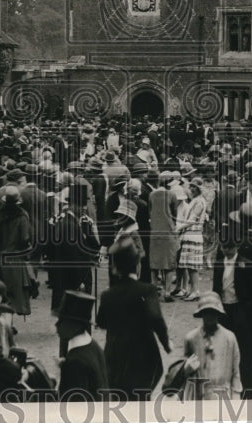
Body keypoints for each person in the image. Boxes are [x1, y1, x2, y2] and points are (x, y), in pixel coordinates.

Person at [96, 236, 170, 400]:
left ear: (115, 269)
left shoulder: (107, 295)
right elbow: (156, 320)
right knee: (140, 400)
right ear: (137, 265)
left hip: (115, 358)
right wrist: (166, 344)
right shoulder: (147, 291)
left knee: (118, 400)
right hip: (143, 357)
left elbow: (101, 322)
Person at [212, 219, 252, 400]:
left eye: (228, 248)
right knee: (223, 352)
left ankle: (249, 393)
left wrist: (250, 309)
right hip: (224, 312)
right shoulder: (220, 263)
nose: (225, 251)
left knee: (246, 354)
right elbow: (216, 288)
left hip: (242, 313)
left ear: (235, 247)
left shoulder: (247, 264)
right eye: (223, 247)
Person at [183, 291, 241, 400]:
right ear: (201, 314)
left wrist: (236, 394)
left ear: (219, 313)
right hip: (198, 393)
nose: (210, 316)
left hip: (222, 392)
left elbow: (235, 370)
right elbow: (183, 371)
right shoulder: (191, 338)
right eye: (206, 312)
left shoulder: (229, 338)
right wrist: (186, 368)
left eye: (213, 312)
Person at [0, 185, 34, 317]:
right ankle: (9, 323)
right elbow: (25, 238)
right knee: (14, 295)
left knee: (1, 294)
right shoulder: (22, 216)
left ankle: (3, 322)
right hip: (15, 259)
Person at [54, 290, 107, 398]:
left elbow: (74, 407)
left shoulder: (75, 361)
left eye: (62, 320)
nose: (57, 324)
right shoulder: (93, 345)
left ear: (76, 325)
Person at [148, 170, 181, 300]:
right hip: (168, 232)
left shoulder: (151, 195)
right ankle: (167, 292)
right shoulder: (172, 195)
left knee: (154, 264)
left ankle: (154, 291)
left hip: (155, 232)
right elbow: (174, 215)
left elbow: (150, 213)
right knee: (169, 264)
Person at [176, 179, 207, 301]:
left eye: (195, 187)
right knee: (189, 265)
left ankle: (196, 291)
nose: (192, 189)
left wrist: (179, 227)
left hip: (194, 234)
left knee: (193, 266)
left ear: (200, 188)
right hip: (189, 234)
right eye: (191, 186)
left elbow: (193, 219)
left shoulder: (199, 201)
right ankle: (192, 290)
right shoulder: (195, 200)